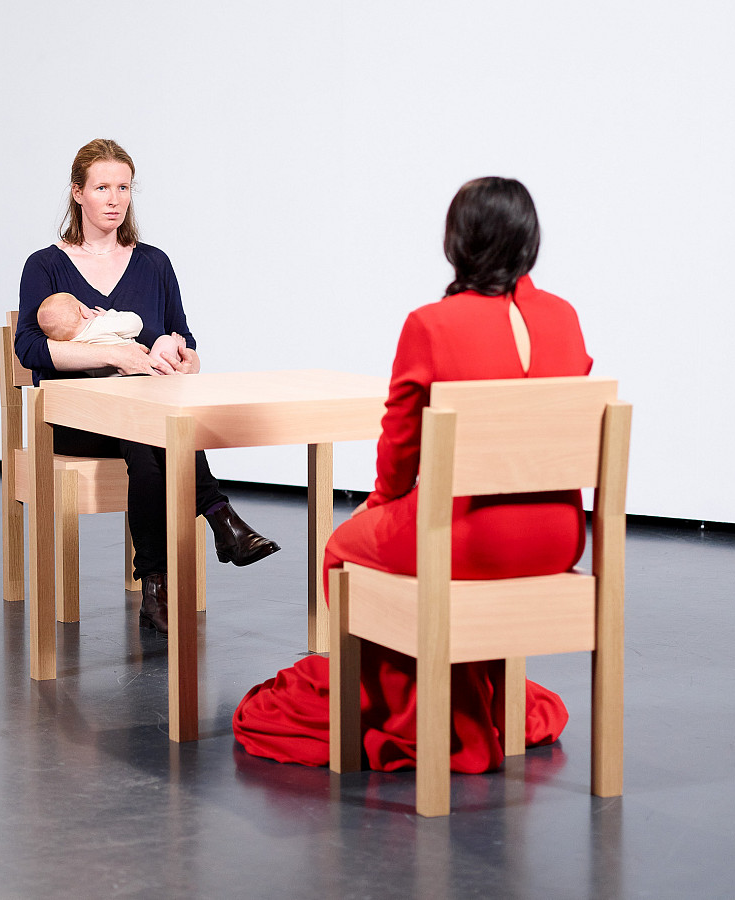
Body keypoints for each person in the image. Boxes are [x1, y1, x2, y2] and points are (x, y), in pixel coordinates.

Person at [233, 177, 592, 773]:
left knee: (343, 547)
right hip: (557, 537)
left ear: (458, 243)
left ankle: (404, 710)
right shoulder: (565, 317)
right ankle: (469, 694)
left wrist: (379, 505)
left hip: (471, 537)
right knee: (395, 542)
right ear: (530, 241)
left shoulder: (433, 324)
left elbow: (400, 448)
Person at [15, 138, 280, 634]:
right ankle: (220, 518)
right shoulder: (45, 265)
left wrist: (178, 355)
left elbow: (187, 342)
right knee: (152, 430)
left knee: (147, 433)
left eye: (123, 187)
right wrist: (114, 354)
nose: (114, 199)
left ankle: (154, 582)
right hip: (75, 422)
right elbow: (28, 349)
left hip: (141, 419)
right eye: (101, 187)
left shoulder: (154, 263)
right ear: (77, 193)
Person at [36, 291, 187, 375]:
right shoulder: (99, 324)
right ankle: (168, 368)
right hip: (143, 373)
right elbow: (135, 323)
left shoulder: (71, 346)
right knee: (166, 340)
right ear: (83, 311)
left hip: (111, 385)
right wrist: (109, 315)